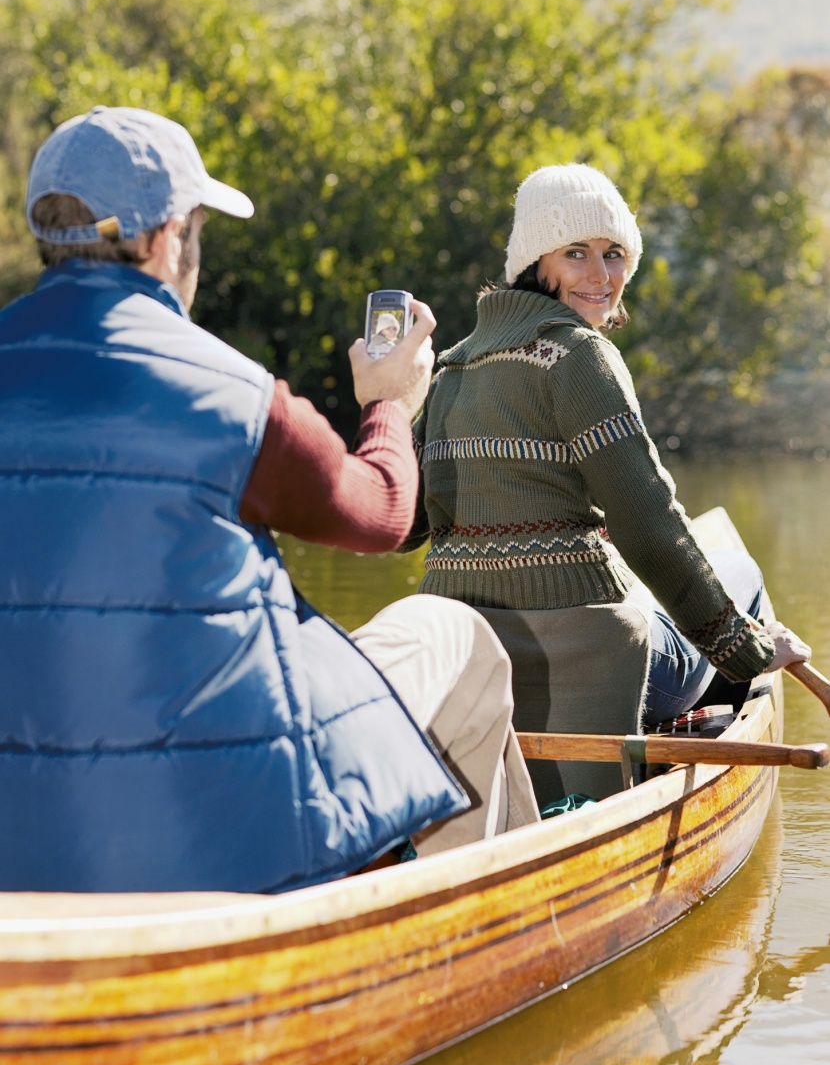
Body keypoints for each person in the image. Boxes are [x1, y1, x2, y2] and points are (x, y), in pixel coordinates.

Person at [0, 105, 538, 894]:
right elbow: (385, 512)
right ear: (169, 236)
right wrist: (389, 403)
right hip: (217, 839)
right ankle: (482, 929)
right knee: (456, 631)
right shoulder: (238, 399)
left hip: (24, 847)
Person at [401, 163, 811, 805]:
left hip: (473, 657)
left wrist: (394, 411)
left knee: (668, 587)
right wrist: (746, 646)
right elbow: (650, 527)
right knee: (742, 571)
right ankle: (725, 687)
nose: (600, 275)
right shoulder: (577, 356)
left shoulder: (450, 368)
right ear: (535, 262)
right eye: (575, 254)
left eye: (614, 253)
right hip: (593, 660)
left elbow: (401, 527)